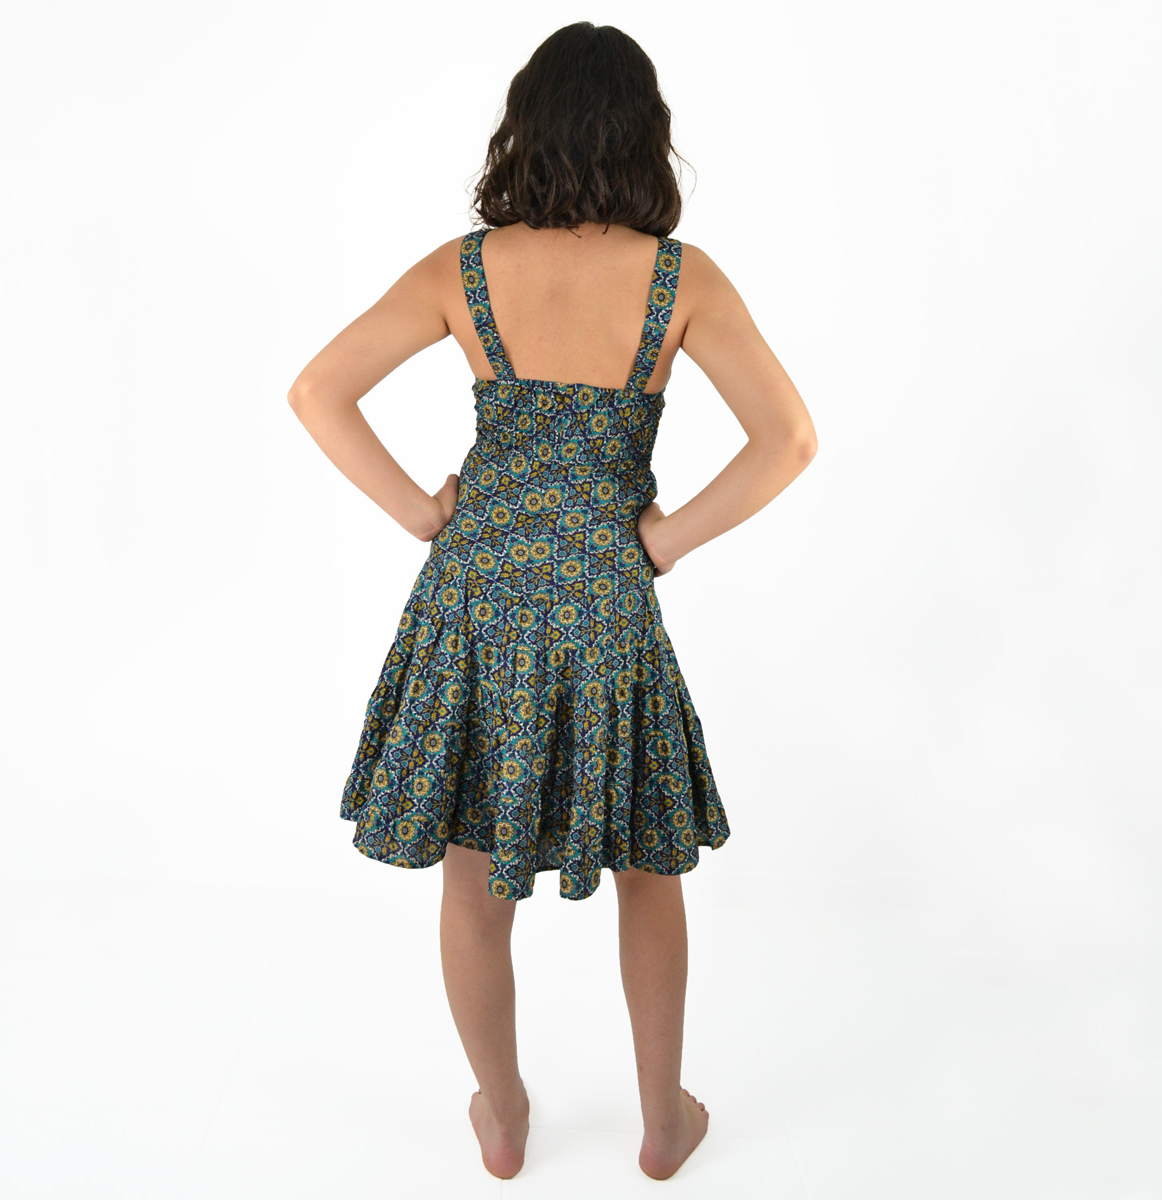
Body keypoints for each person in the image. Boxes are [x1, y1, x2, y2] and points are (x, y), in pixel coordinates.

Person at [287, 20, 817, 1183]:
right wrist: (662, 540)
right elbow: (788, 440)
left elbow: (319, 389)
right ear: (645, 137)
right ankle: (664, 1123)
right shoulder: (681, 279)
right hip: (607, 599)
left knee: (473, 878)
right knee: (649, 867)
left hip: (477, 595)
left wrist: (422, 512)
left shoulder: (464, 270)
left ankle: (505, 1113)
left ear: (523, 129)